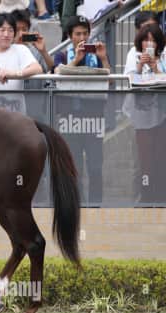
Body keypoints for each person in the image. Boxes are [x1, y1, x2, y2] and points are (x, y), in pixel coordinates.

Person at [53, 16, 110, 205]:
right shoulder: (62, 55)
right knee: (74, 165)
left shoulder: (98, 53)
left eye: (85, 33)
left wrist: (103, 58)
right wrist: (76, 60)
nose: (82, 38)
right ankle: (75, 205)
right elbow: (56, 77)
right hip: (69, 119)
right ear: (70, 36)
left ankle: (95, 204)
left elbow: (110, 80)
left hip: (94, 118)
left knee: (95, 165)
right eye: (78, 34)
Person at [123, 23, 166, 203]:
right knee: (143, 163)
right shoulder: (133, 54)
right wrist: (140, 66)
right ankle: (145, 199)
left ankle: (160, 199)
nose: (149, 44)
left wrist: (156, 68)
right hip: (140, 118)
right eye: (146, 40)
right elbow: (129, 80)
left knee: (160, 160)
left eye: (153, 40)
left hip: (161, 116)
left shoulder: (163, 55)